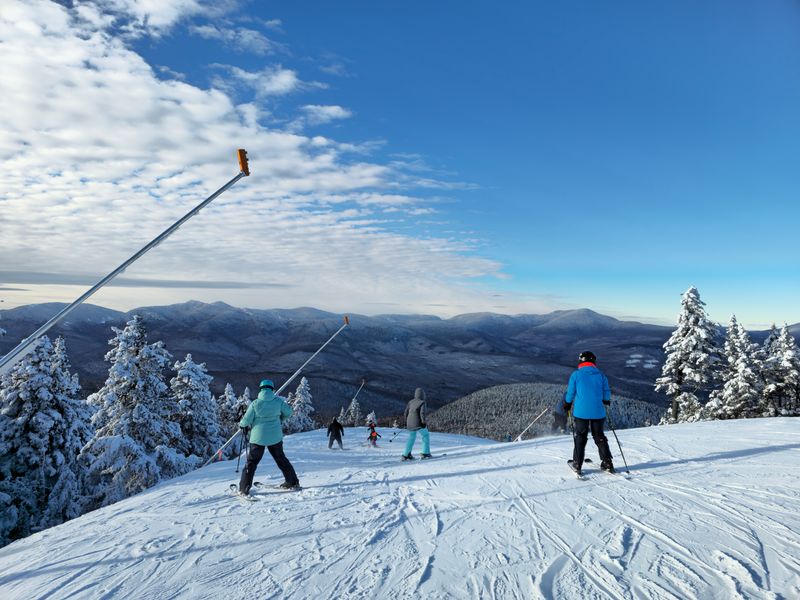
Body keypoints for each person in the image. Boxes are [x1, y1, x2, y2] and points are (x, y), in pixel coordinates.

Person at [238, 379, 300, 495]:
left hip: (258, 438)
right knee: (281, 459)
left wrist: (241, 424)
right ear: (272, 389)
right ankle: (292, 482)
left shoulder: (255, 403)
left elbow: (246, 420)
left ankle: (244, 488)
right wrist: (280, 419)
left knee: (252, 462)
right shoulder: (278, 402)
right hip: (275, 437)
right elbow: (289, 412)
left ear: (261, 389)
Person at [564, 351, 615, 476]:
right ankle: (607, 462)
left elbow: (571, 392)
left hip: (581, 412)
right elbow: (606, 392)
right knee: (599, 436)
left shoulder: (576, 375)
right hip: (598, 411)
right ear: (593, 361)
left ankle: (577, 463)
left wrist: (567, 403)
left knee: (580, 437)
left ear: (581, 361)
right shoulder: (601, 375)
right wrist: (606, 400)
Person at [402, 388, 431, 460]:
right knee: (425, 435)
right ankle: (425, 453)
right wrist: (423, 422)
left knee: (411, 437)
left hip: (409, 423)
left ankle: (405, 454)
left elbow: (405, 413)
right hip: (418, 423)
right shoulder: (422, 402)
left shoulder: (410, 402)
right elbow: (422, 413)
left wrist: (406, 422)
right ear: (423, 395)